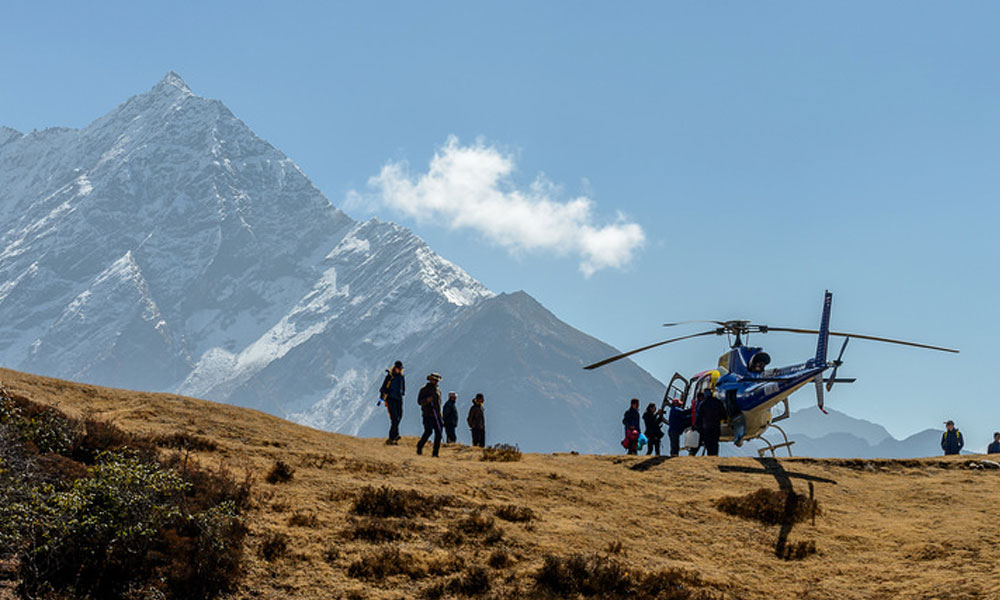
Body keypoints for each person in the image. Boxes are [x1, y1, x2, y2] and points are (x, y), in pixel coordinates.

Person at [416, 373, 444, 457]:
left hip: (437, 415)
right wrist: (427, 400)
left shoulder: (438, 389)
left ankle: (435, 453)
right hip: (428, 414)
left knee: (438, 433)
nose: (435, 381)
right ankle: (420, 445)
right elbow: (419, 402)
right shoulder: (424, 389)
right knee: (428, 431)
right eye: (433, 380)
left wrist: (440, 415)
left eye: (436, 380)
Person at [379, 360, 405, 445]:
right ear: (395, 368)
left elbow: (403, 387)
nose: (399, 370)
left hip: (399, 399)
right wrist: (382, 398)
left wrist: (402, 392)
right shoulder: (389, 377)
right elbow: (382, 388)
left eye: (400, 368)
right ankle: (392, 437)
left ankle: (395, 435)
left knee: (399, 416)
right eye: (398, 368)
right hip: (390, 399)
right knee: (394, 418)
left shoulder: (401, 377)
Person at [695, 390, 727, 456]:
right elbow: (723, 414)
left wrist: (696, 425)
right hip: (716, 426)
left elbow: (699, 416)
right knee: (715, 441)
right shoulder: (718, 402)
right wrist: (721, 419)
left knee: (708, 442)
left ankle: (710, 455)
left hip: (707, 426)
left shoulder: (703, 403)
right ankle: (715, 455)